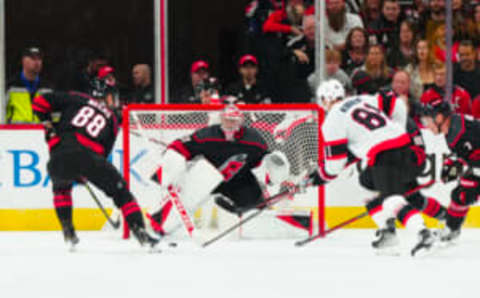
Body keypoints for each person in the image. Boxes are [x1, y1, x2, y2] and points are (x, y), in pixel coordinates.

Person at [310, 79, 437, 256]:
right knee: (366, 183)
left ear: (324, 100)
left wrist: (320, 176)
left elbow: (335, 165)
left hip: (384, 154)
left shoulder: (332, 120)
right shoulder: (362, 99)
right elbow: (396, 103)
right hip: (404, 145)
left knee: (391, 199)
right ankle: (388, 232)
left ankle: (423, 233)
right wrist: (395, 130)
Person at [31, 73, 159, 249]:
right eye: (112, 96)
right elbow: (102, 155)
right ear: (105, 95)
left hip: (59, 156)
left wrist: (49, 127)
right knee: (122, 194)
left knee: (61, 188)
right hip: (89, 158)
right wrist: (85, 171)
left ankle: (68, 232)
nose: (114, 101)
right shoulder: (113, 121)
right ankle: (141, 233)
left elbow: (39, 103)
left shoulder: (76, 97)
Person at [146, 105, 309, 236]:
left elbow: (263, 162)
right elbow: (182, 145)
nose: (230, 124)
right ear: (221, 119)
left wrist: (272, 173)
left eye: (234, 120)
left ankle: (299, 224)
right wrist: (172, 155)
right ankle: (157, 223)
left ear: (241, 122)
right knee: (187, 196)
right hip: (209, 180)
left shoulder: (254, 140)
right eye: (227, 120)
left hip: (239, 181)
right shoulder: (208, 135)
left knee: (256, 210)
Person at [418, 99, 480, 242]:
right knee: (461, 194)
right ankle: (451, 230)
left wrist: (456, 165)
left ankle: (451, 230)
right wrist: (453, 166)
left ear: (439, 118)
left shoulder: (460, 133)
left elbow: (471, 158)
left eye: (428, 121)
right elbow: (467, 154)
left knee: (466, 189)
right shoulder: (453, 128)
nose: (427, 126)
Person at [6, 46, 52, 123]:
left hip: (41, 132)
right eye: (33, 59)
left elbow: (54, 115)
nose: (37, 62)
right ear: (23, 61)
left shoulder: (48, 87)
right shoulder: (11, 85)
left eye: (39, 59)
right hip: (16, 132)